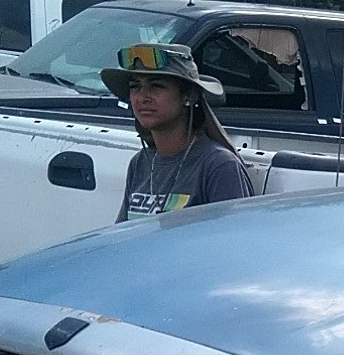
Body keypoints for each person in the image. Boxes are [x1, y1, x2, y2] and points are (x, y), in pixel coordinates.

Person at [101, 43, 253, 221]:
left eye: (156, 86)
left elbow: (234, 241)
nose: (143, 97)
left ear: (189, 96)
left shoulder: (218, 166)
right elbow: (122, 236)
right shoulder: (140, 163)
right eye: (135, 86)